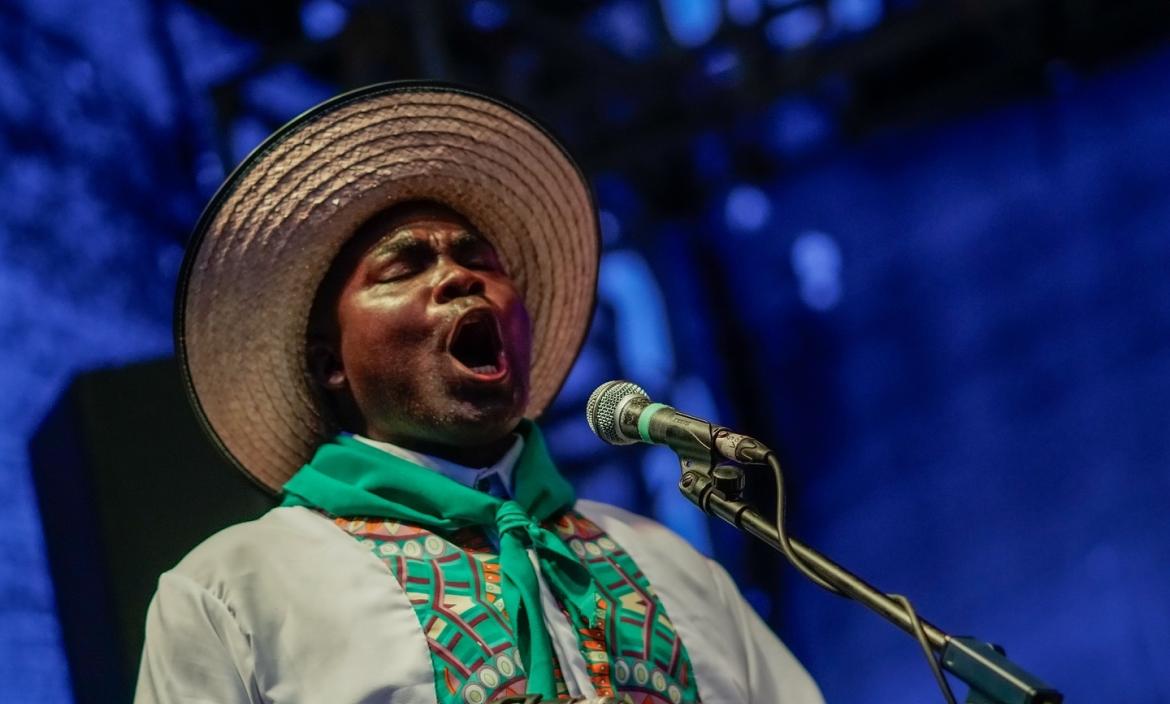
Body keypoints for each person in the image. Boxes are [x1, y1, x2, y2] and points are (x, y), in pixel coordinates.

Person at [136, 82, 824, 704]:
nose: (458, 278)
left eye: (480, 260)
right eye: (403, 267)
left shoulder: (667, 563)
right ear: (328, 366)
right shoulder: (236, 591)